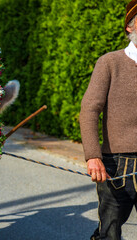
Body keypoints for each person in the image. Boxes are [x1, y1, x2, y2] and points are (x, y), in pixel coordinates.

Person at [80, 1, 137, 239]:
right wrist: (93, 155)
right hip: (116, 164)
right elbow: (89, 110)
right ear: (130, 27)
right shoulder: (109, 62)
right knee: (109, 231)